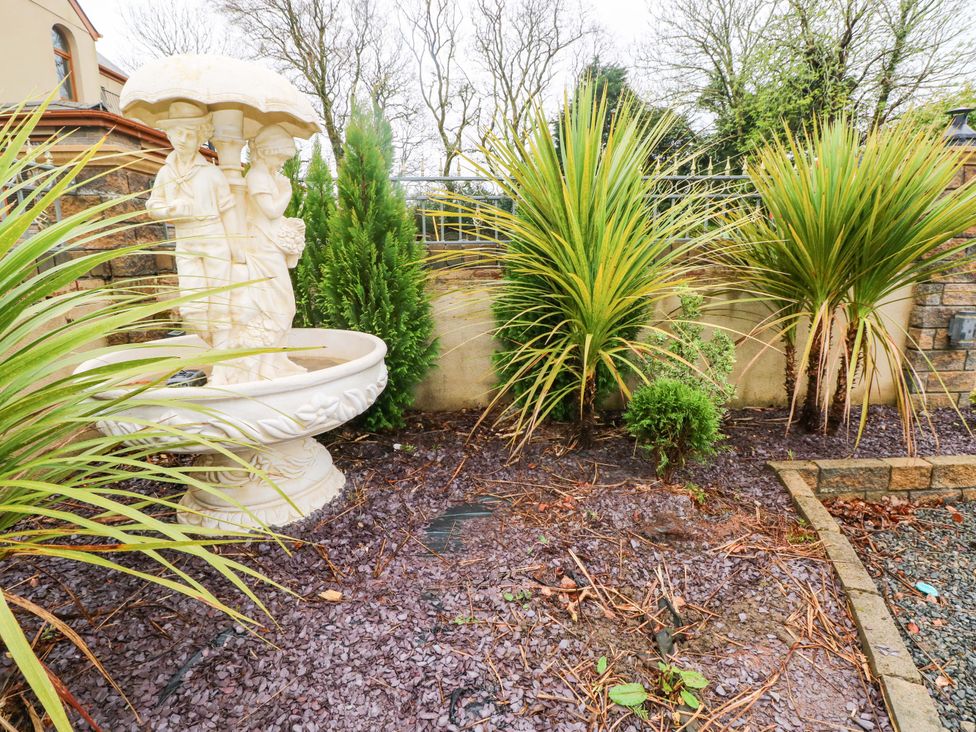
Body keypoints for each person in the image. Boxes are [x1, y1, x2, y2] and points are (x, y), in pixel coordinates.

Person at [211, 123, 307, 384]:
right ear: (265, 152)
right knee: (276, 306)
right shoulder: (256, 176)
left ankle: (276, 359)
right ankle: (266, 364)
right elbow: (271, 211)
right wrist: (287, 191)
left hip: (269, 244)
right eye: (279, 157)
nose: (281, 162)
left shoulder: (267, 175)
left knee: (282, 305)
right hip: (262, 247)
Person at [147, 101, 237, 348]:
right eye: (178, 132)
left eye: (189, 134)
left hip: (214, 237)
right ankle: (219, 349)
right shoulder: (165, 173)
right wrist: (171, 209)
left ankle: (223, 364)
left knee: (220, 303)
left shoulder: (211, 173)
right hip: (186, 240)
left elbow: (228, 211)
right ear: (169, 133)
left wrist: (237, 250)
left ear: (200, 137)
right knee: (192, 309)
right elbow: (153, 206)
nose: (183, 139)